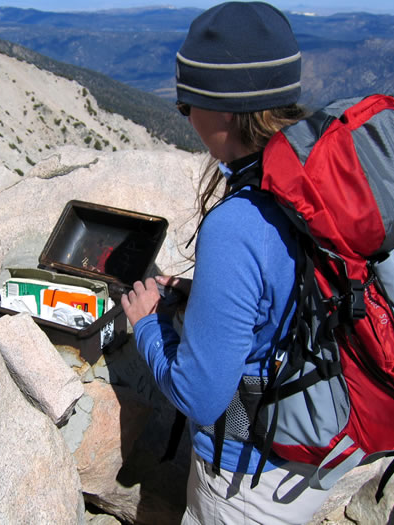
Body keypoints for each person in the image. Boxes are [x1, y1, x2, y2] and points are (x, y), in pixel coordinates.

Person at [121, 2, 335, 524]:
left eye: (185, 103)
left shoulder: (239, 222)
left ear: (222, 110)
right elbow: (288, 292)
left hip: (249, 477)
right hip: (317, 440)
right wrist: (214, 301)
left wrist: (146, 323)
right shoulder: (316, 174)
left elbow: (199, 395)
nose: (184, 115)